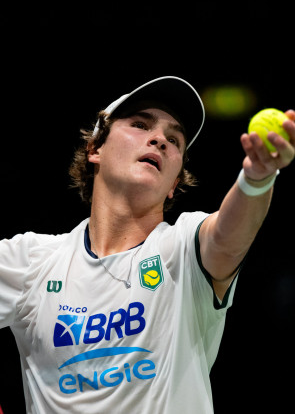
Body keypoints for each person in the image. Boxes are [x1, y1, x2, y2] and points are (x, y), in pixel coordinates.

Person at [0, 76, 294, 414]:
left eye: (174, 139)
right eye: (140, 125)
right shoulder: (30, 262)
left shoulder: (181, 250)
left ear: (174, 183)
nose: (159, 140)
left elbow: (225, 240)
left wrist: (257, 177)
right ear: (96, 149)